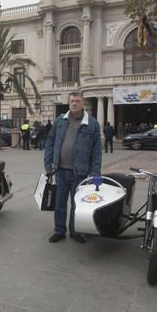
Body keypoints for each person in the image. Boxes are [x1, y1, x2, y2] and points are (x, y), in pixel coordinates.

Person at [43, 92, 103, 244]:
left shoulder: (92, 123)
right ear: (68, 103)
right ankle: (59, 231)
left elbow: (96, 151)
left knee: (77, 205)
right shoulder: (60, 121)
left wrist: (95, 173)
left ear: (83, 103)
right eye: (72, 101)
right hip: (60, 170)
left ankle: (75, 231)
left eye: (77, 101)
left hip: (81, 172)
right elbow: (50, 141)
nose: (74, 103)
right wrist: (48, 163)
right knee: (59, 204)